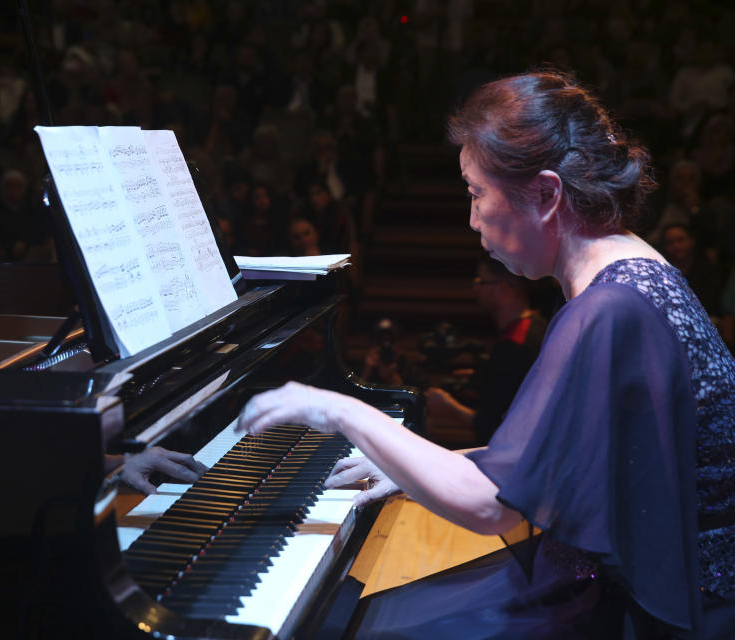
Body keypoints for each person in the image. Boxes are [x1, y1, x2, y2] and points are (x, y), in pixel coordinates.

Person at [237, 71, 735, 638]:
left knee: (361, 626)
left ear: (547, 194)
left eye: (476, 194)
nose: (472, 218)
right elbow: (555, 456)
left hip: (674, 608)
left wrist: (338, 410)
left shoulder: (608, 307)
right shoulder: (634, 268)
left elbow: (491, 506)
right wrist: (406, 464)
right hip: (666, 575)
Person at [426, 256, 547, 446]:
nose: (475, 288)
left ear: (505, 287)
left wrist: (448, 405)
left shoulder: (515, 344)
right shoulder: (536, 327)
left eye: (481, 281)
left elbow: (496, 427)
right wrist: (485, 378)